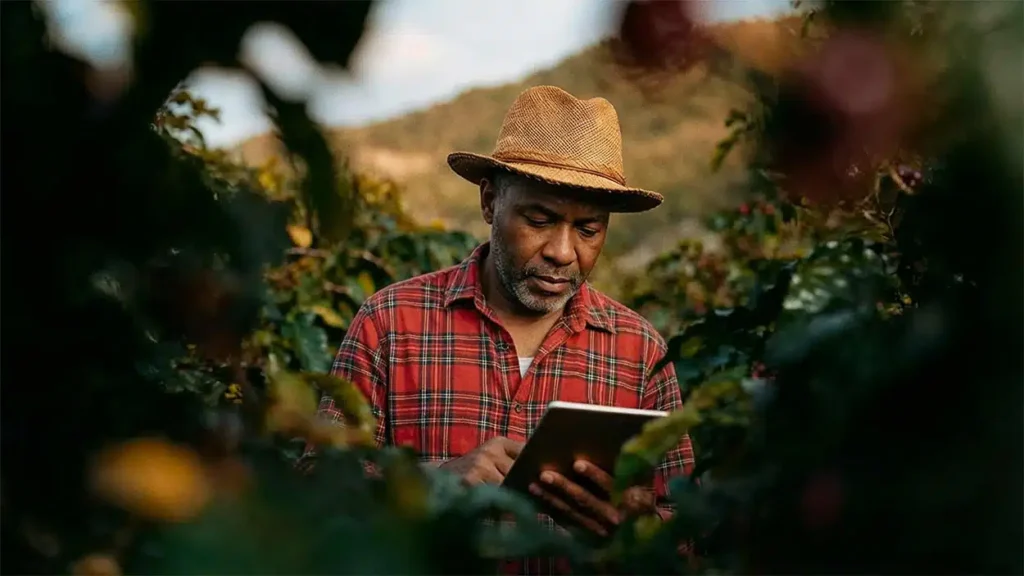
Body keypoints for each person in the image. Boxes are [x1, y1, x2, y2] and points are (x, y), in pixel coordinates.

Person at [300, 85, 694, 574]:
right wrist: (431, 482)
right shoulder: (390, 323)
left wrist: (637, 533)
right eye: (540, 219)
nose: (563, 252)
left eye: (589, 230)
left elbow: (689, 536)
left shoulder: (641, 352)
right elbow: (314, 493)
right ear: (490, 202)